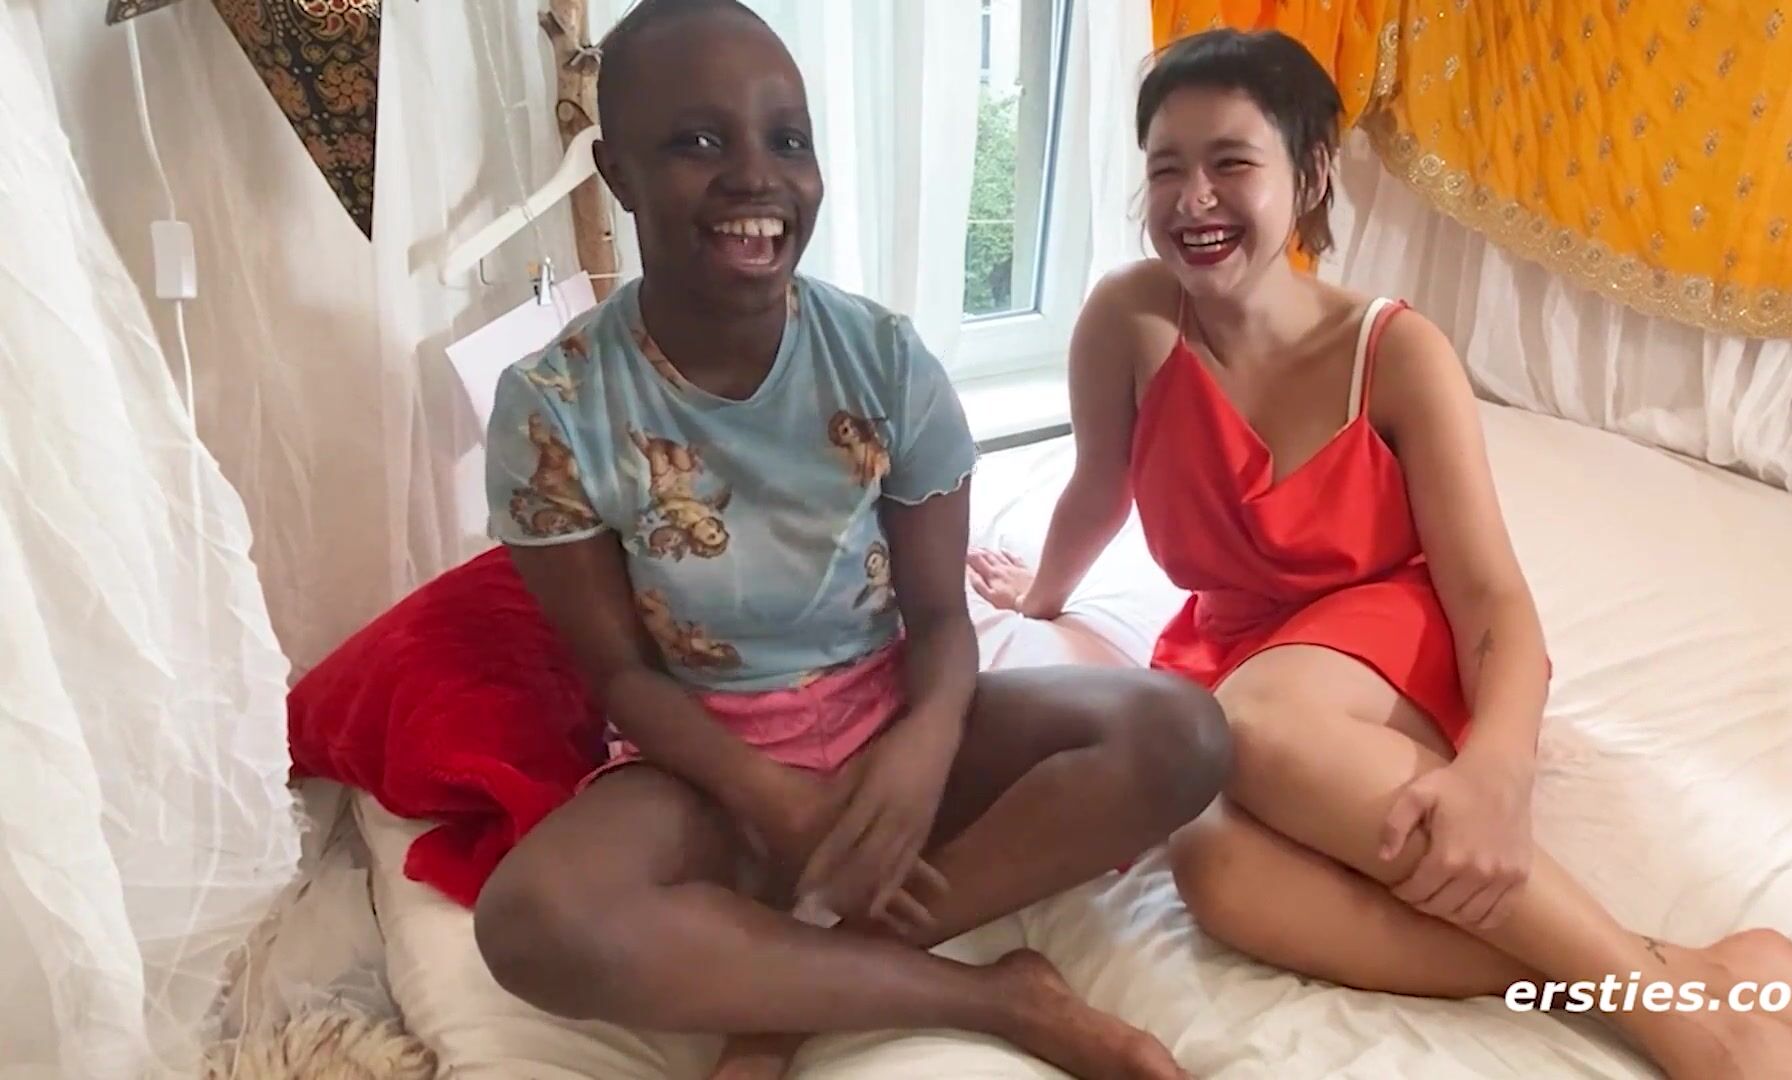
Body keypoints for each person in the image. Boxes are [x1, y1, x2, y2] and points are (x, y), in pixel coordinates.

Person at [969, 27, 1792, 1080]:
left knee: (1255, 724)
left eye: (1232, 162)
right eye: (1166, 169)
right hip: (1236, 648)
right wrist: (1042, 592)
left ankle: (1684, 1026)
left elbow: (1492, 597)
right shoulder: (1128, 319)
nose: (1195, 198)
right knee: (1213, 869)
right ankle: (1704, 973)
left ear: (1309, 175)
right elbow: (1100, 484)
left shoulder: (1394, 352)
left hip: (1391, 639)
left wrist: (1498, 770)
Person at [469, 2, 1231, 1078]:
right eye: (698, 141)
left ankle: (786, 990)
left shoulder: (883, 359)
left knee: (1182, 733)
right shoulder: (553, 405)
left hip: (890, 717)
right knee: (532, 922)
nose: (755, 175)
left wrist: (922, 751)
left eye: (788, 140)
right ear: (618, 172)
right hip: (705, 768)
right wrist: (769, 799)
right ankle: (995, 997)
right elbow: (620, 678)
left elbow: (941, 621)